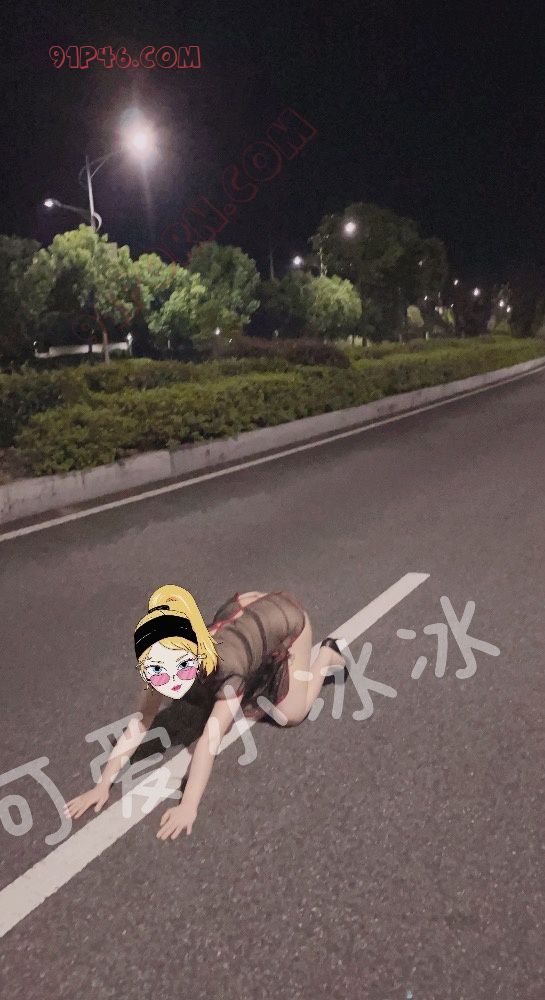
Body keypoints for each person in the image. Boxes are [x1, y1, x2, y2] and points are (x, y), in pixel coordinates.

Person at [64, 585, 347, 840]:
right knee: (217, 700)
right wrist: (102, 785)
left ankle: (327, 654)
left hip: (286, 617)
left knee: (292, 713)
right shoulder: (164, 658)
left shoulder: (227, 669)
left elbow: (209, 742)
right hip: (245, 612)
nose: (167, 681)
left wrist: (188, 805)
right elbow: (140, 723)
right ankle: (253, 671)